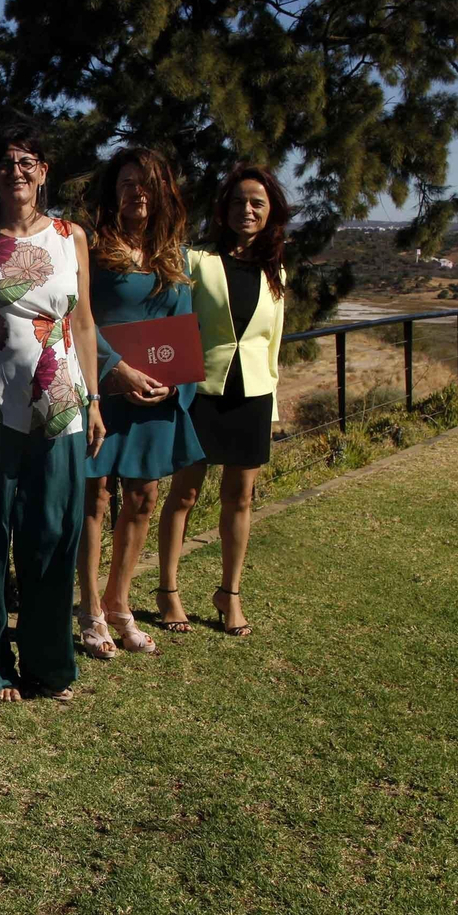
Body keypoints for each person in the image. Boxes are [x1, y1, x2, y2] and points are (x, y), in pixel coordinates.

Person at [0, 123, 106, 703]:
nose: (16, 171)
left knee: (54, 536)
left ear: (43, 172)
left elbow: (83, 323)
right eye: (5, 163)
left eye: (27, 162)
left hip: (62, 406)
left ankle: (49, 664)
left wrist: (94, 401)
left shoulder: (71, 237)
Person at [76, 148, 208, 657]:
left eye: (147, 183)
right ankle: (90, 609)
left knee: (143, 497)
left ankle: (119, 604)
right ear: (114, 191)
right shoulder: (91, 248)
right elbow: (77, 316)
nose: (137, 192)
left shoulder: (175, 255)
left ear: (164, 192)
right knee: (95, 496)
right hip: (103, 389)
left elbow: (185, 330)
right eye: (128, 183)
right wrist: (117, 370)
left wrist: (174, 385)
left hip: (156, 396)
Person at [160, 164, 289, 637]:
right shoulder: (197, 260)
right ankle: (168, 590)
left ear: (270, 210)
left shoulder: (275, 269)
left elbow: (273, 344)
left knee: (241, 498)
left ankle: (229, 593)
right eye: (238, 201)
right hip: (202, 392)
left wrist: (272, 405)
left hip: (253, 395)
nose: (247, 210)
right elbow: (174, 322)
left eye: (256, 202)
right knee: (184, 494)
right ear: (223, 209)